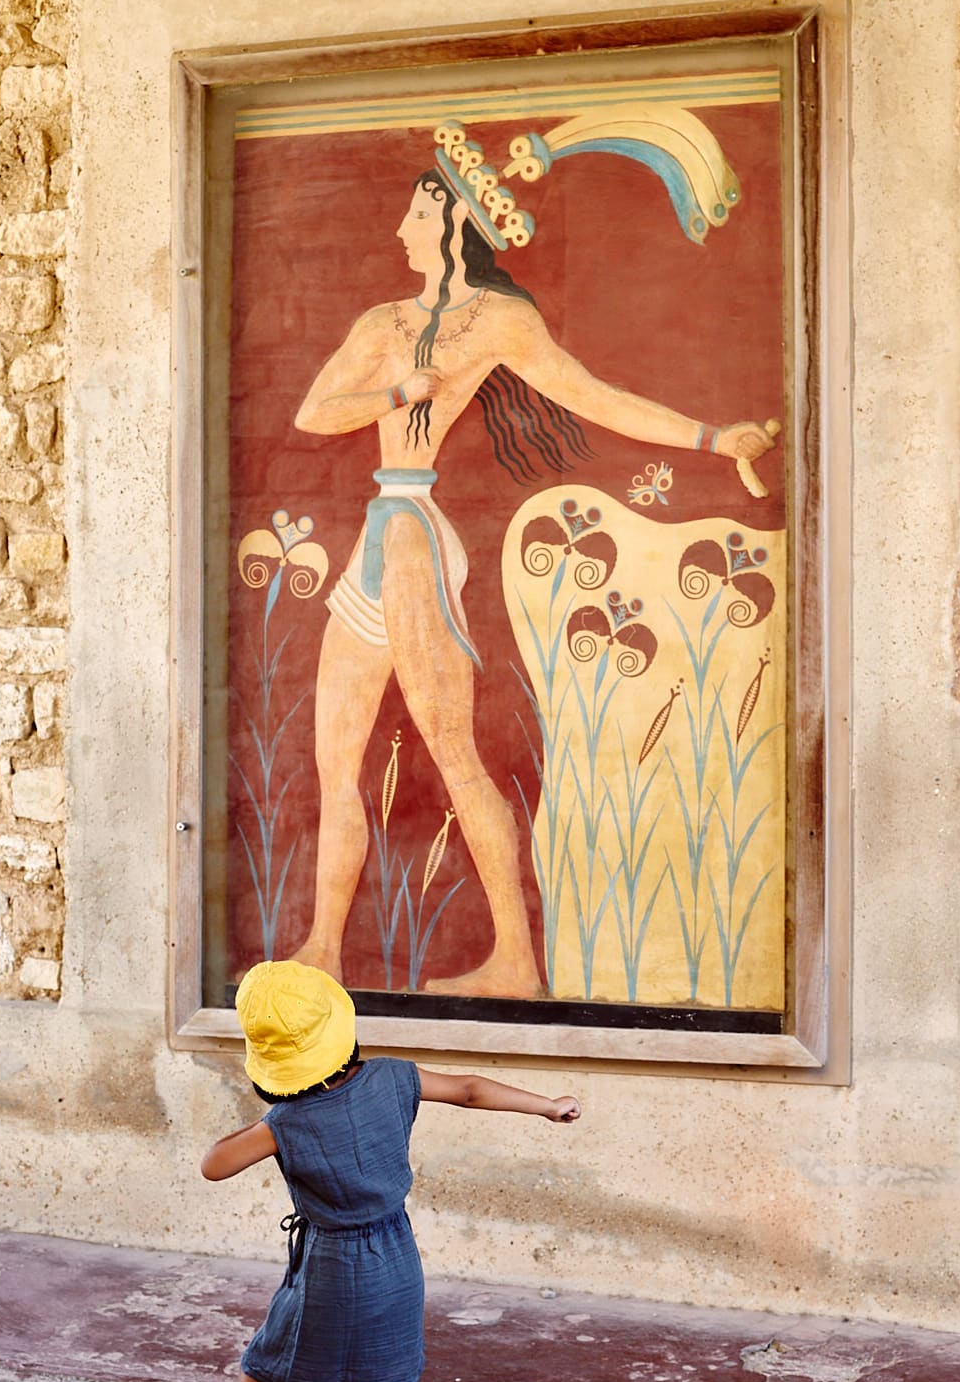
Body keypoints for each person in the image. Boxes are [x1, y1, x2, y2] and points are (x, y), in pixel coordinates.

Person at [290, 155, 779, 1002]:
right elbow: (313, 411)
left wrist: (712, 438)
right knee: (335, 760)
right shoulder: (382, 323)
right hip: (378, 530)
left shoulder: (501, 321)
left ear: (451, 223)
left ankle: (516, 958)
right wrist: (396, 389)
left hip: (413, 538)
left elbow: (593, 396)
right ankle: (322, 954)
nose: (400, 230)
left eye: (415, 215)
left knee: (451, 749)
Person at [174, 958, 581, 1382]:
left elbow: (213, 1163)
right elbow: (470, 1088)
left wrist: (274, 1115)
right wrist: (546, 1104)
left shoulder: (286, 1122)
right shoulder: (394, 1077)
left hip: (332, 1269)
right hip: (395, 1254)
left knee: (260, 1372)